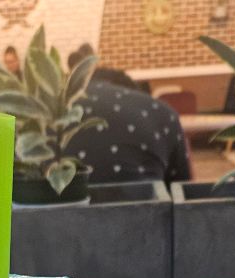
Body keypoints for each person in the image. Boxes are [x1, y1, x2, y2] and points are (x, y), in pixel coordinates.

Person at [69, 52, 190, 186]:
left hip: (58, 203)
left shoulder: (50, 113)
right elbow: (182, 192)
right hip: (142, 204)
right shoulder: (157, 111)